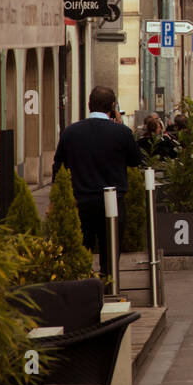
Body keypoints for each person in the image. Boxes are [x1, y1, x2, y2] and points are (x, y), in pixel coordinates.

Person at [51, 86, 143, 282]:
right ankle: (109, 285)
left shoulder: (71, 132)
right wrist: (120, 125)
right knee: (111, 248)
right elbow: (136, 160)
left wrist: (55, 197)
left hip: (80, 198)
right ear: (112, 106)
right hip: (113, 200)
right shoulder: (121, 132)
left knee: (82, 247)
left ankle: (83, 287)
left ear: (88, 104)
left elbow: (58, 166)